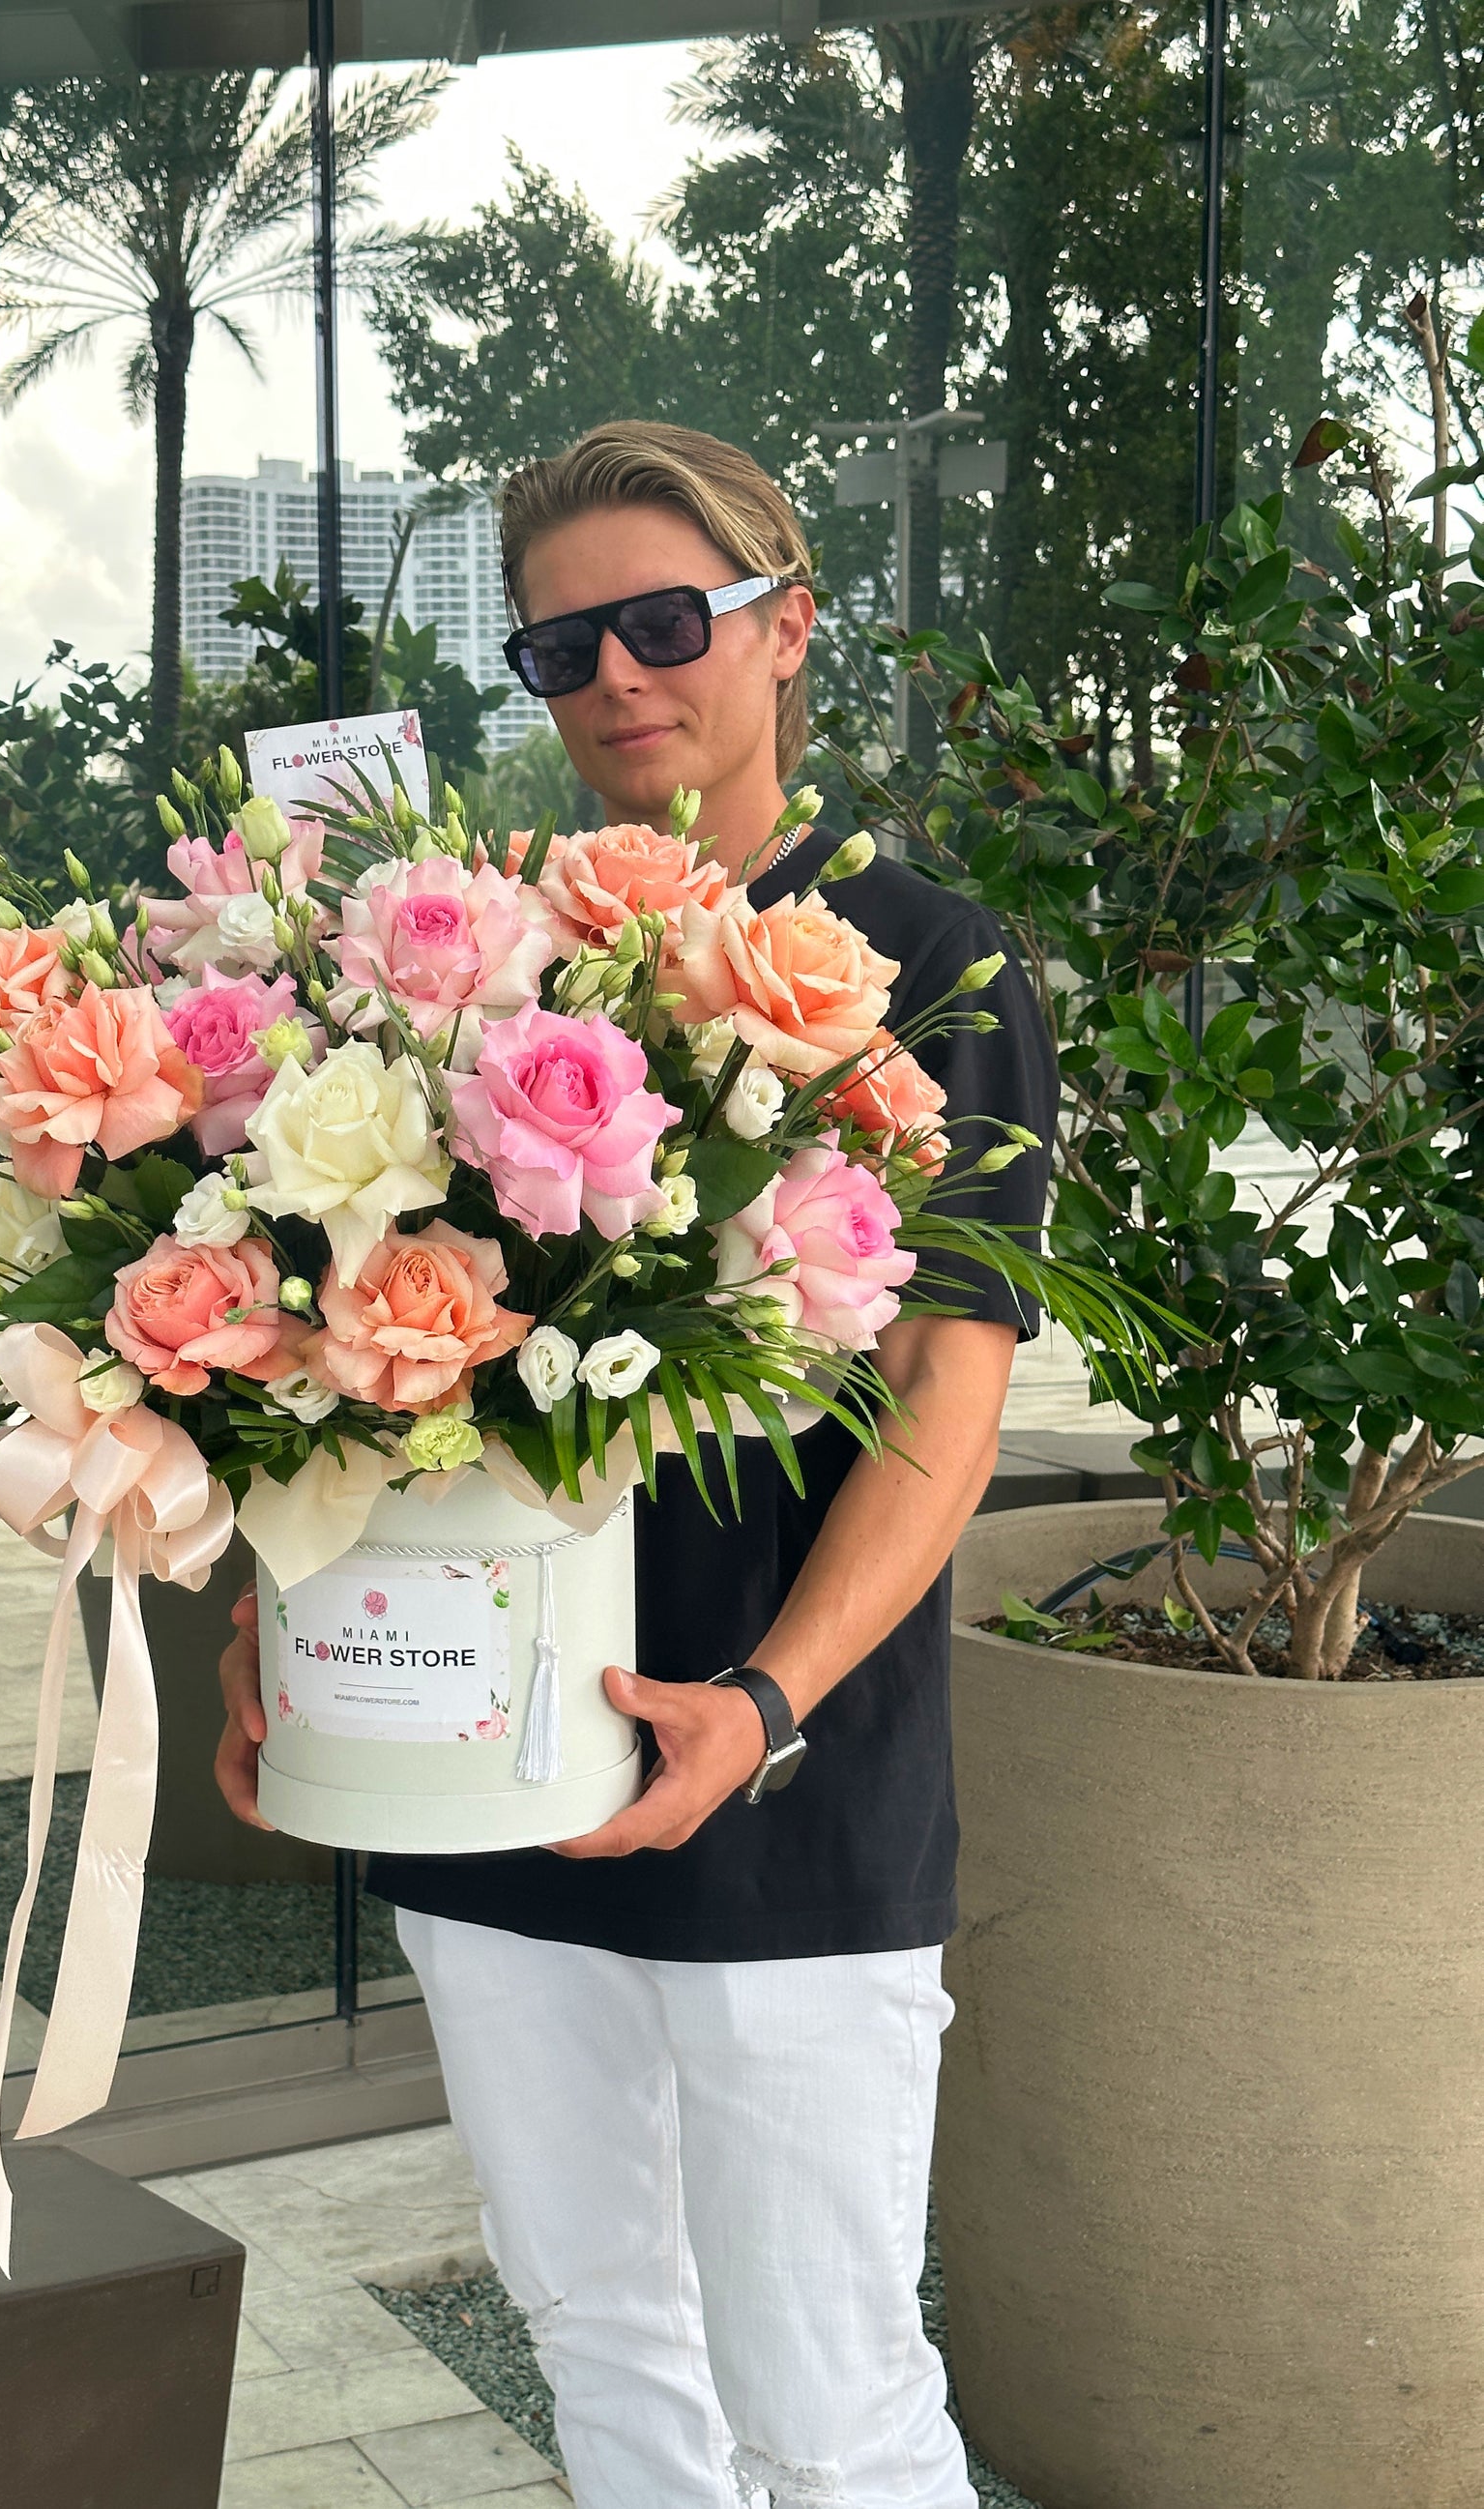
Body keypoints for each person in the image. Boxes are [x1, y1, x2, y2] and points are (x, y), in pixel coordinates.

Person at [216, 423, 1059, 2509]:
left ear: (786, 629)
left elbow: (945, 1412)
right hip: (484, 1764)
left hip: (777, 1781)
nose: (614, 676)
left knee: (827, 2397)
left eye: (664, 621)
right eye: (560, 644)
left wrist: (764, 1702)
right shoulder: (476, 963)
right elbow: (337, 1360)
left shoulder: (927, 960)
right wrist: (283, 1624)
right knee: (601, 2329)